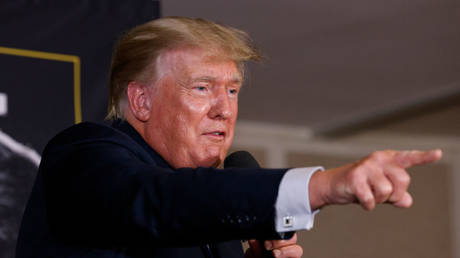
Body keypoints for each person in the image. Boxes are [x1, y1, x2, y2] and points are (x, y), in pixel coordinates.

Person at [16, 17, 442, 258]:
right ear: (141, 102)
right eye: (202, 88)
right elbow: (157, 201)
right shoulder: (84, 154)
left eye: (232, 90)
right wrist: (324, 185)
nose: (225, 108)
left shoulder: (216, 220)